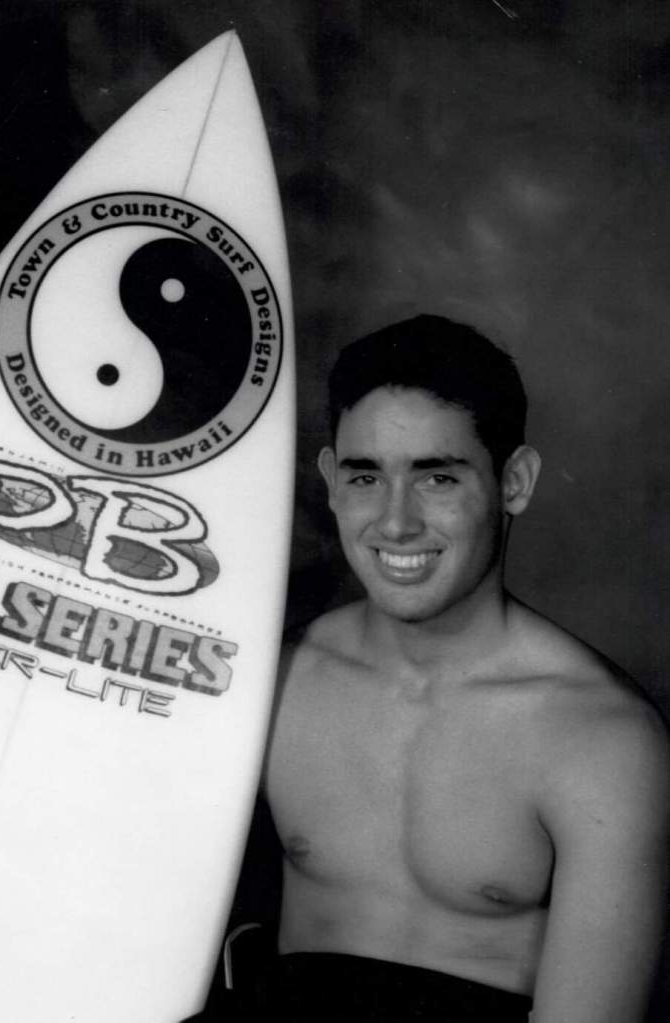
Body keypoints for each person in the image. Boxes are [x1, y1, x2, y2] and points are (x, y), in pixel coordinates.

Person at [257, 315, 669, 1022]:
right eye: (365, 475)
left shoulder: (602, 739)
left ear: (515, 481)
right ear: (329, 479)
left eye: (437, 477)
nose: (394, 523)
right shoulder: (275, 681)